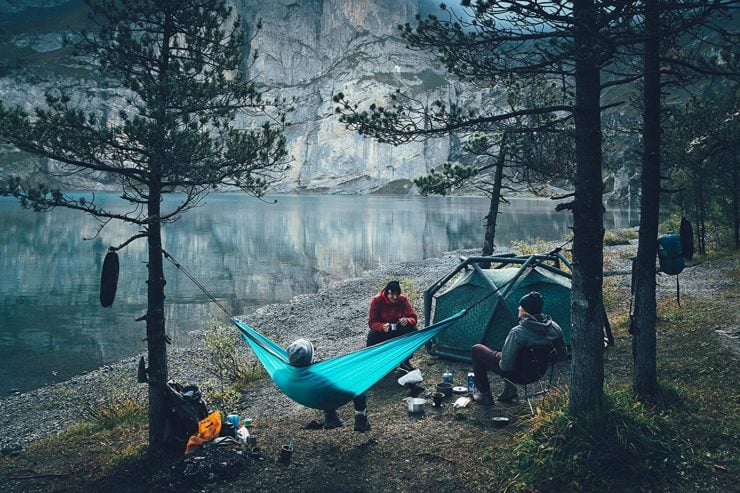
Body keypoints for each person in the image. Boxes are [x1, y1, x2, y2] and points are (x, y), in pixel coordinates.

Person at [470, 291, 565, 405]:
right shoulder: (555, 328)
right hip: (538, 373)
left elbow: (506, 366)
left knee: (477, 349)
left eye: (521, 306)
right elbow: (562, 355)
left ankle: (484, 394)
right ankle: (510, 391)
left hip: (519, 375)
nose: (519, 307)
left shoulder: (518, 333)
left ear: (525, 310)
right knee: (510, 353)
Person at [287, 338, 370, 432]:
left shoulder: (283, 374)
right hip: (334, 396)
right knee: (359, 379)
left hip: (311, 399)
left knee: (322, 387)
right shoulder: (318, 373)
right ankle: (360, 416)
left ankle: (331, 416)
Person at [367, 280, 418, 371]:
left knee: (413, 331)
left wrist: (407, 320)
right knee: (372, 335)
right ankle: (374, 362)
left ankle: (405, 361)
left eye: (397, 294)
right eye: (392, 295)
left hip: (398, 328)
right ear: (387, 293)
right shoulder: (377, 300)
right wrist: (381, 326)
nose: (395, 297)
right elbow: (372, 322)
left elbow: (413, 318)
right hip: (384, 330)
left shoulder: (403, 299)